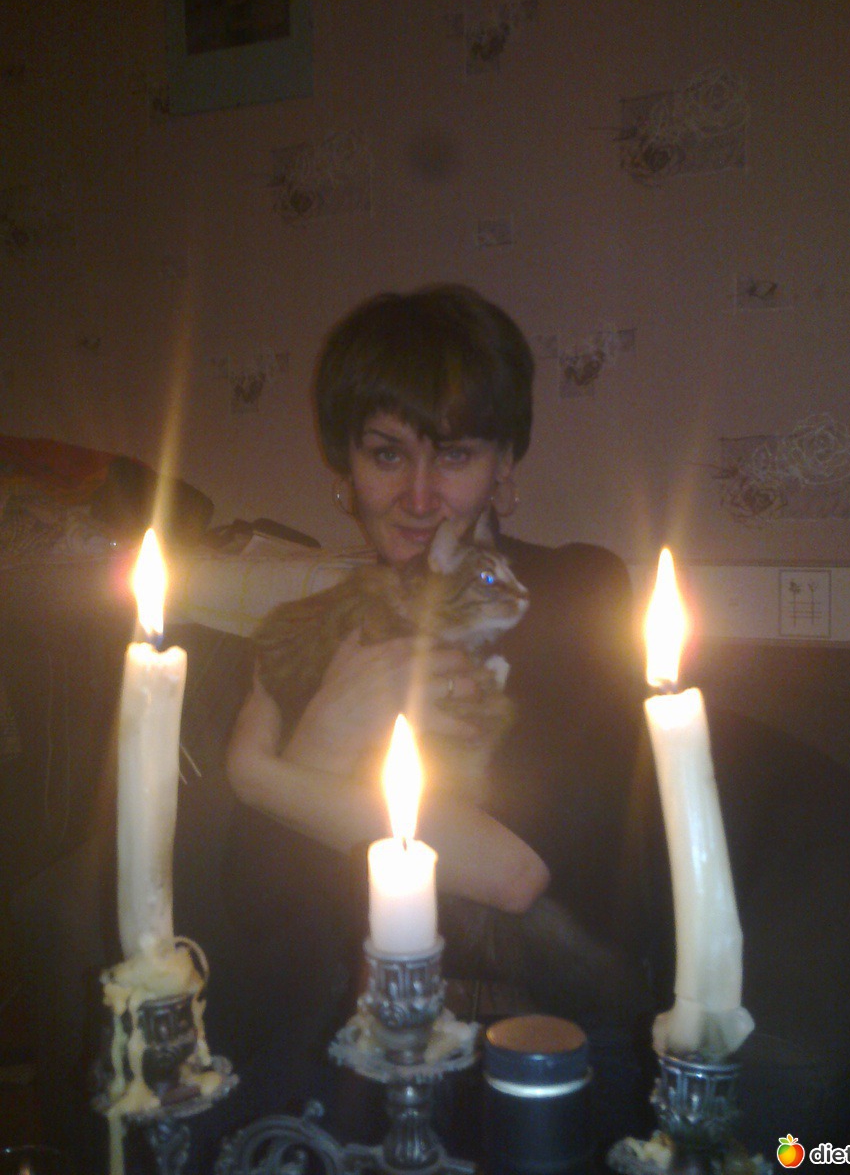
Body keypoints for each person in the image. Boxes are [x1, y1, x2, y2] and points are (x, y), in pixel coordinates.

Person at [221, 284, 656, 1142]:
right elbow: (255, 904)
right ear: (345, 472)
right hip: (339, 1035)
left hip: (534, 1031)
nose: (419, 497)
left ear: (505, 466)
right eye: (386, 454)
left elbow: (512, 870)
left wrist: (266, 775)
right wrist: (322, 741)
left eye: (454, 455)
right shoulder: (308, 632)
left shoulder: (577, 595)